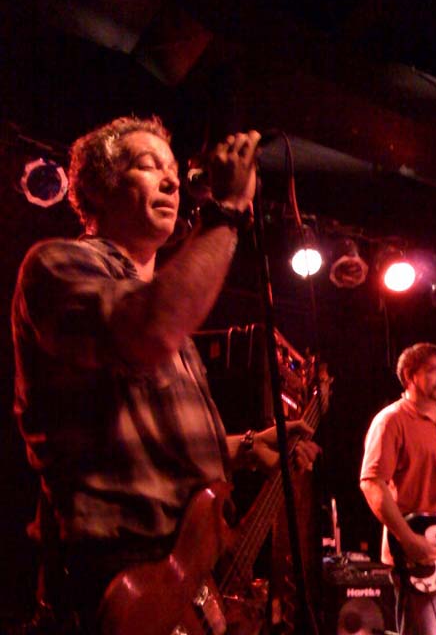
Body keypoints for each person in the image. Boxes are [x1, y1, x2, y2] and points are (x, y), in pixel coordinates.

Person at [11, 115, 319, 633]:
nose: (172, 181)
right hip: (120, 575)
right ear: (99, 189)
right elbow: (147, 331)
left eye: (174, 170)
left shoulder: (168, 315)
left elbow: (143, 435)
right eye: (147, 166)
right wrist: (226, 213)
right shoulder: (56, 266)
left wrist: (246, 446)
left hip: (183, 580)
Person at [360, 342, 436, 635]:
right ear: (410, 376)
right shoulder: (391, 421)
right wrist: (407, 538)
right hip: (421, 557)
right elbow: (371, 483)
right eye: (433, 370)